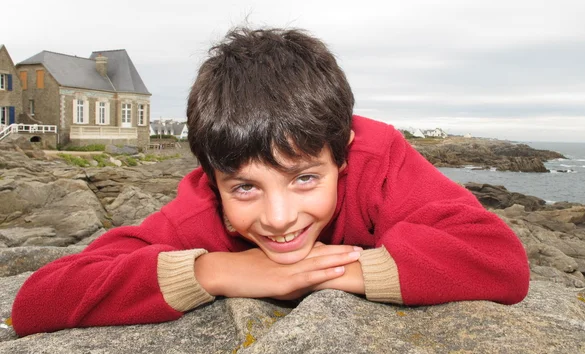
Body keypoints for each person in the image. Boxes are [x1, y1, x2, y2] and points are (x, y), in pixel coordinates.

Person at [11, 27, 530, 337]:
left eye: (305, 178)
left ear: (342, 153)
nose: (279, 218)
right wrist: (218, 271)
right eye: (245, 188)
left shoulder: (377, 157)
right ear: (212, 179)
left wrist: (327, 271)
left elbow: (497, 257)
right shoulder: (200, 210)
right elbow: (37, 300)